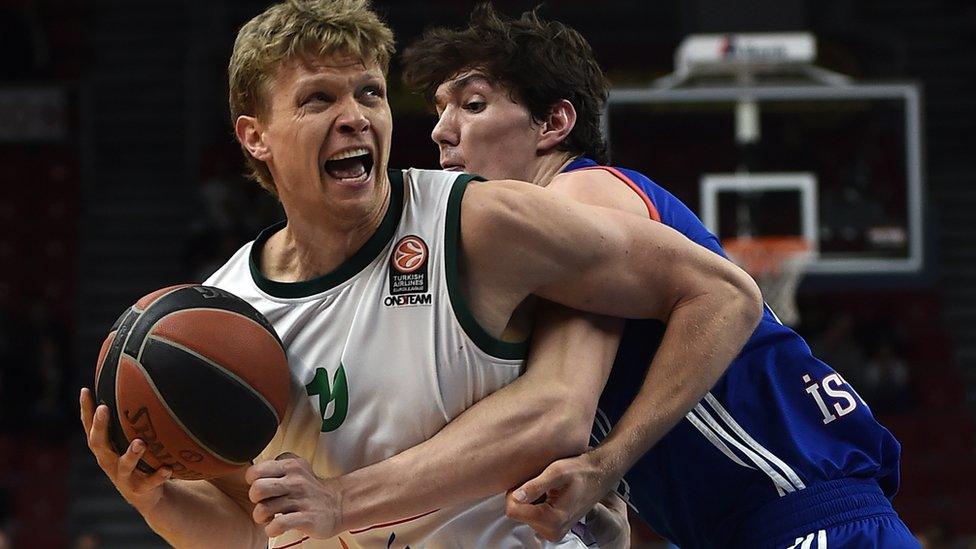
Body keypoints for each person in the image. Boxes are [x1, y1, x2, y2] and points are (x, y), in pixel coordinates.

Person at [78, 1, 761, 547]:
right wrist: (160, 503)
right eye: (319, 100)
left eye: (369, 94)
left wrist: (607, 461)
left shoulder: (476, 222)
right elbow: (259, 534)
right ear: (256, 135)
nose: (355, 119)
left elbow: (722, 292)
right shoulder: (224, 313)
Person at [399, 5, 920, 548]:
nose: (441, 132)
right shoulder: (556, 241)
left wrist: (605, 465)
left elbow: (724, 304)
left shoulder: (581, 192)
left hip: (805, 513)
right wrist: (615, 497)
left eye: (473, 105)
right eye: (439, 110)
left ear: (554, 123)